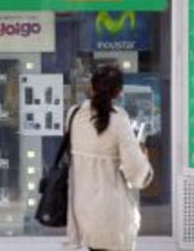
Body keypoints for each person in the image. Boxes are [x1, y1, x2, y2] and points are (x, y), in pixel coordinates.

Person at [66, 65, 153, 251]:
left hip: (82, 211)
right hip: (113, 215)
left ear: (91, 86)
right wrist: (143, 158)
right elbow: (137, 173)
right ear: (119, 92)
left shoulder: (73, 116)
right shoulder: (119, 120)